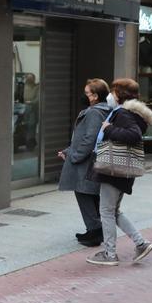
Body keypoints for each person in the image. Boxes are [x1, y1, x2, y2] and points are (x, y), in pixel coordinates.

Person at [86, 78, 152, 266]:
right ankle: (141, 243)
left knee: (106, 211)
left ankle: (110, 254)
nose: (110, 94)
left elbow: (134, 135)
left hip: (114, 170)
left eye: (114, 90)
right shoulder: (127, 113)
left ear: (120, 95)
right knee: (113, 211)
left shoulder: (123, 114)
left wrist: (109, 129)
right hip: (120, 171)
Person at [58, 79, 112, 247]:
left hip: (85, 162)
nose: (85, 95)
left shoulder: (94, 113)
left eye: (87, 93)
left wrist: (75, 156)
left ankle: (95, 231)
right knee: (90, 194)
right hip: (91, 160)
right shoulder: (103, 110)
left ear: (95, 96)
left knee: (84, 193)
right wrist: (68, 151)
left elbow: (89, 138)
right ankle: (94, 229)